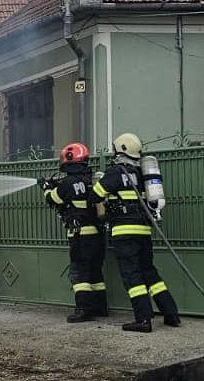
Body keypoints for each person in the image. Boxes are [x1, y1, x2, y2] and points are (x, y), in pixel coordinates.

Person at [93, 132, 180, 332]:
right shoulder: (143, 172)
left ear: (121, 150)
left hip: (124, 231)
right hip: (143, 230)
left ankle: (143, 320)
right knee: (149, 272)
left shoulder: (115, 172)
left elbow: (94, 196)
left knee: (132, 276)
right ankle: (171, 314)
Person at [41, 142, 107, 322]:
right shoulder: (91, 180)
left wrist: (46, 186)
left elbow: (53, 199)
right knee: (95, 273)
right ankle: (100, 308)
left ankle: (83, 309)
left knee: (79, 272)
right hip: (98, 234)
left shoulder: (68, 182)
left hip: (80, 236)